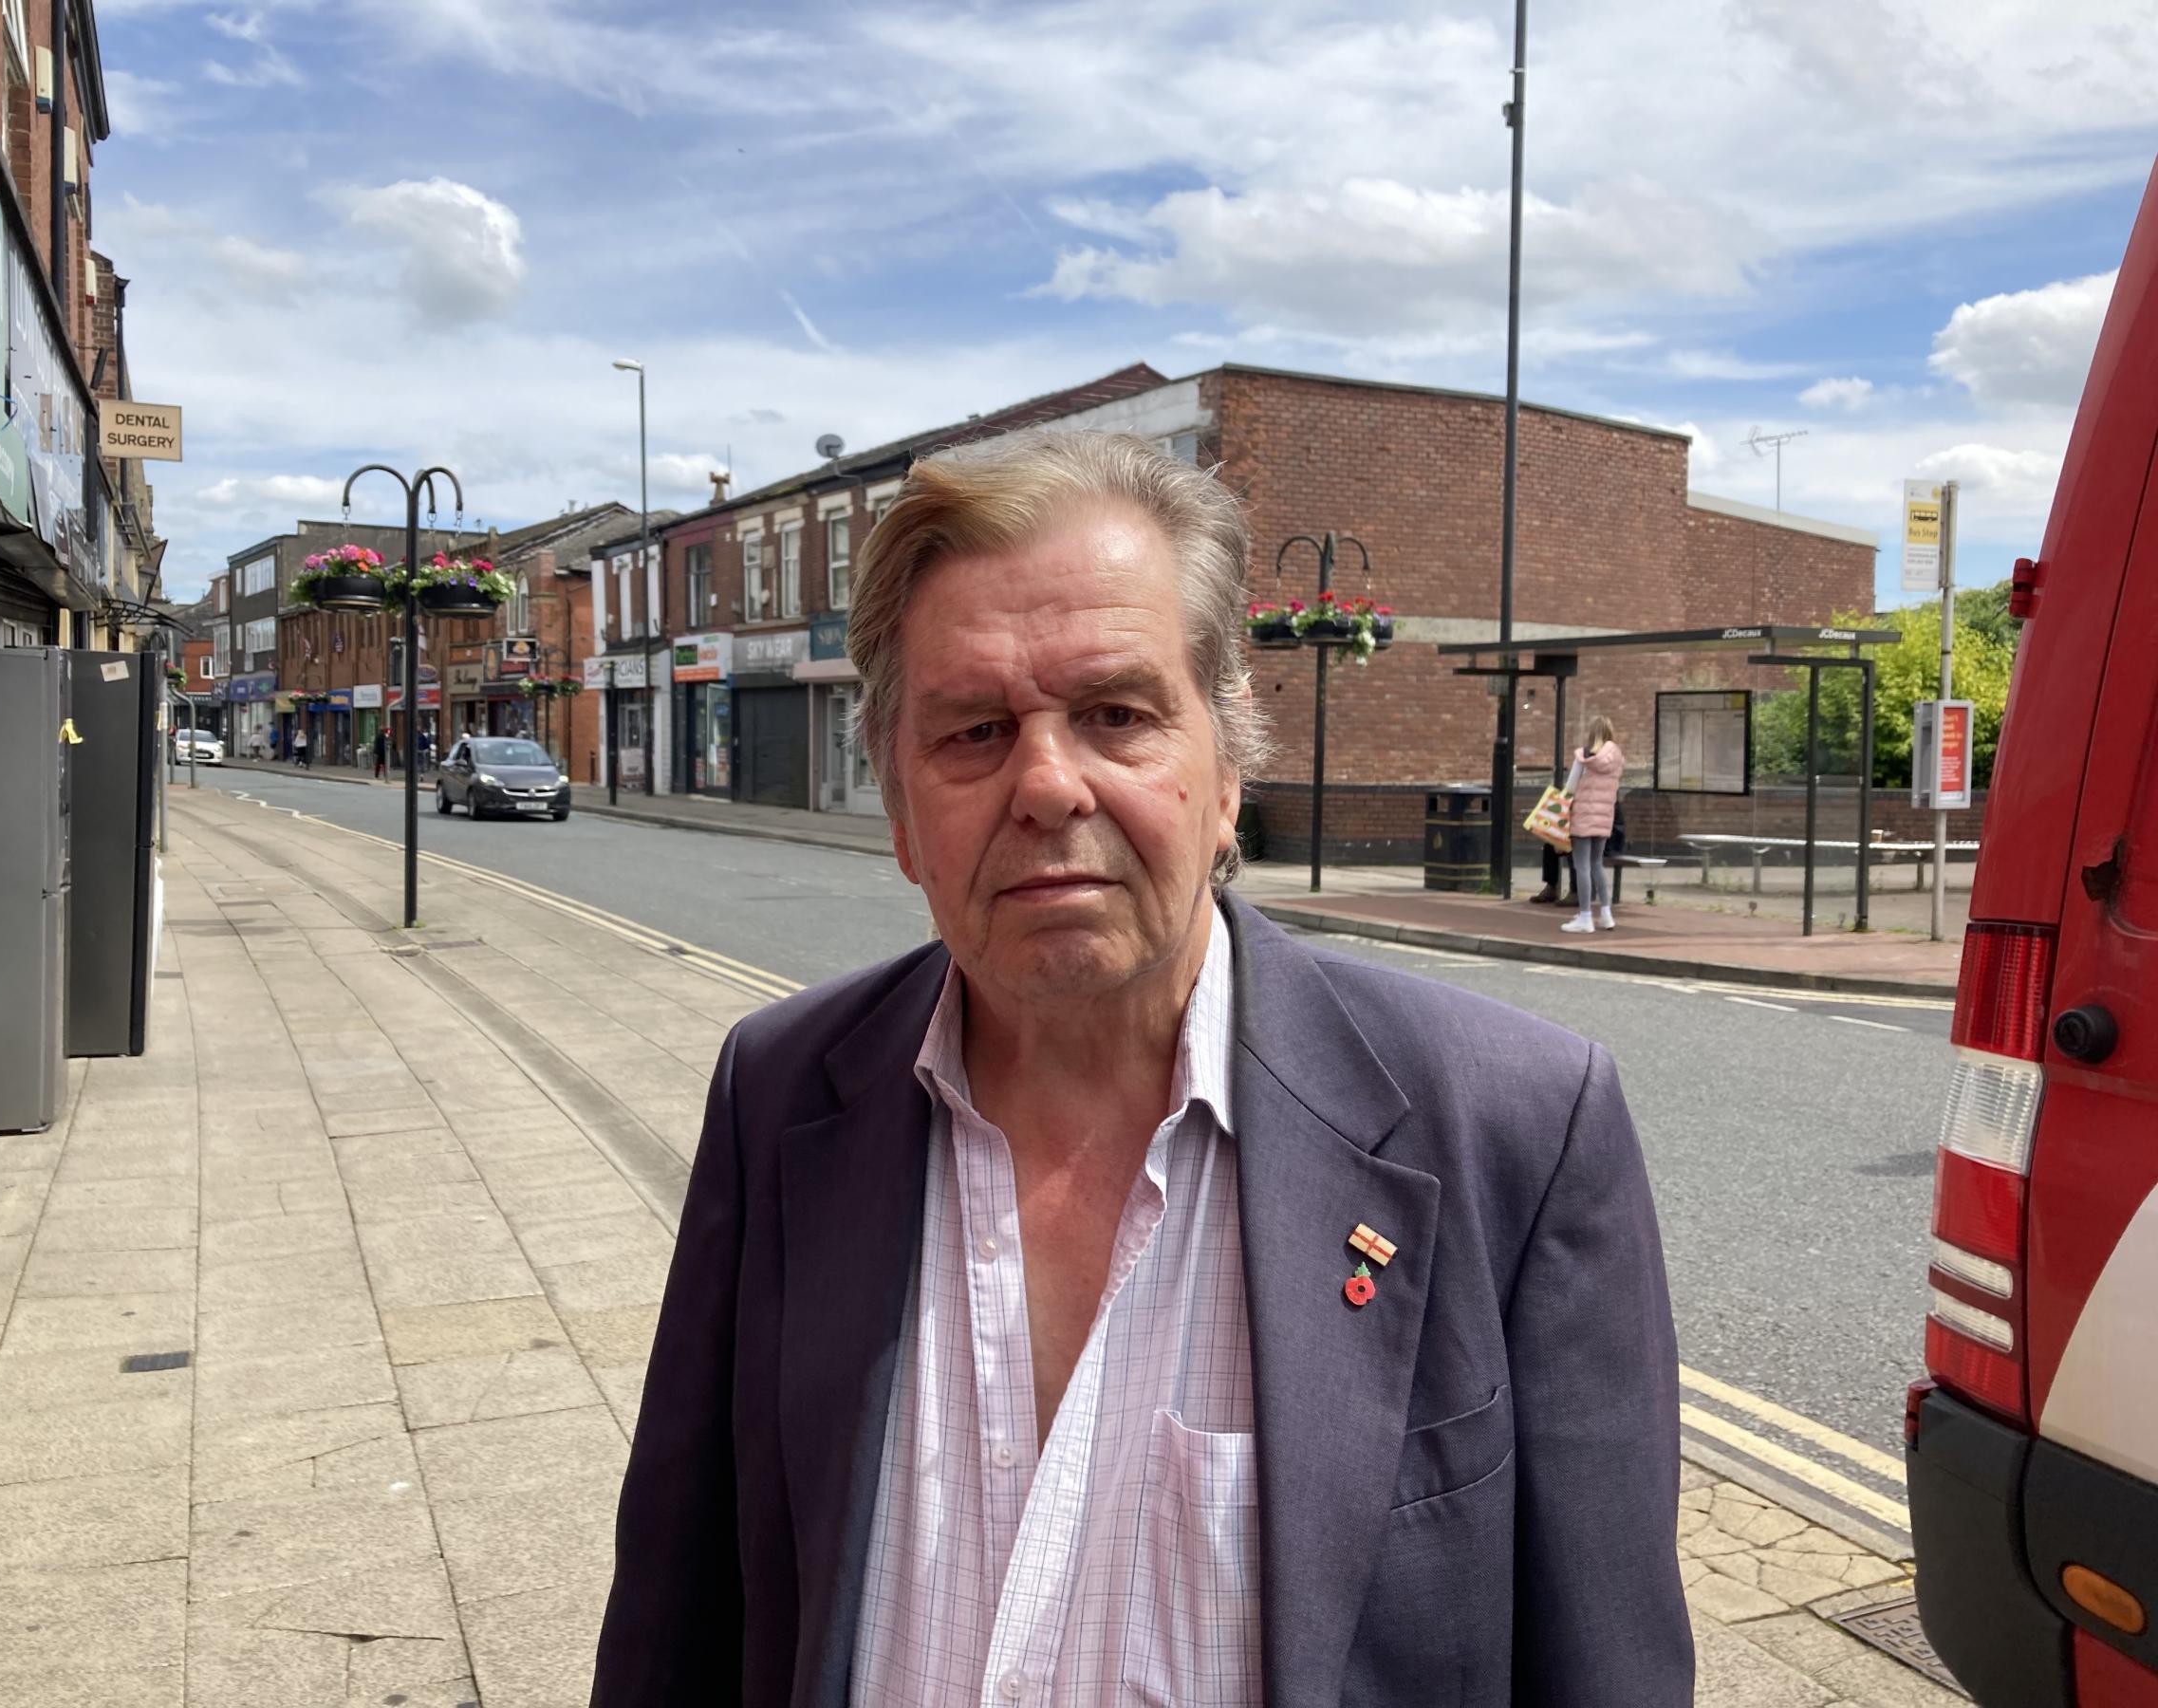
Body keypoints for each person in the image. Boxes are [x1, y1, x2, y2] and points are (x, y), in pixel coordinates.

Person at [590, 431, 1690, 1707]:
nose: (1048, 785)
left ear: (1227, 776)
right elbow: (677, 1620)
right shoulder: (778, 1093)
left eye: (1117, 714)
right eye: (974, 731)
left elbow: (1605, 1668)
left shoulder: (1519, 1130)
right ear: (898, 809)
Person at [1562, 716, 1624, 934]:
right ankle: (1606, 915)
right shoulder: (1616, 757)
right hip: (1605, 817)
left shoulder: (1584, 756)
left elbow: (1569, 788)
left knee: (1582, 867)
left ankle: (1586, 916)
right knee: (1597, 864)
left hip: (1583, 817)